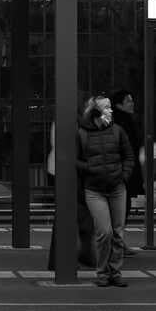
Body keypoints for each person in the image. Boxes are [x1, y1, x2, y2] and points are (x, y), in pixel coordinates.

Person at [77, 93, 135, 288]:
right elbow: (75, 160)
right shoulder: (82, 133)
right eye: (107, 107)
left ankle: (115, 272)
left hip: (117, 187)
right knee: (105, 232)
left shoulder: (118, 131)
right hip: (94, 190)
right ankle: (102, 272)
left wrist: (123, 175)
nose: (111, 110)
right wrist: (91, 169)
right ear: (96, 112)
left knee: (118, 233)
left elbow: (129, 156)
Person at [46, 116, 97, 271]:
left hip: (63, 169)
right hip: (67, 171)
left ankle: (80, 254)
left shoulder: (66, 119)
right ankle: (66, 258)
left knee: (76, 213)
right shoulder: (68, 120)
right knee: (72, 214)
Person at [109, 88, 146, 259]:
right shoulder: (122, 122)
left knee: (120, 207)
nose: (132, 103)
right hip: (124, 170)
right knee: (121, 208)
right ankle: (117, 243)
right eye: (128, 101)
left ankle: (116, 242)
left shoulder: (118, 120)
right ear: (119, 104)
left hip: (123, 169)